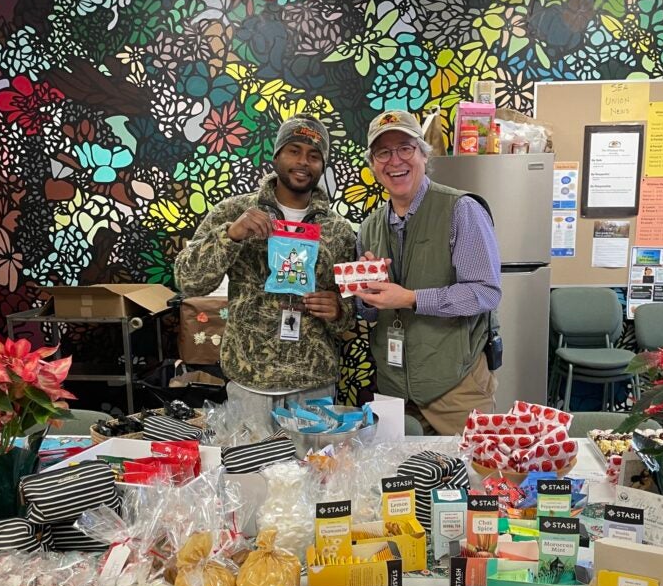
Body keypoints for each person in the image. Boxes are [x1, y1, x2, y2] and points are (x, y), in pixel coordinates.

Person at [173, 115, 355, 422]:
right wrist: (230, 235)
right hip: (249, 384)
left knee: (314, 469)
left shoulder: (338, 230)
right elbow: (187, 280)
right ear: (276, 156)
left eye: (314, 156)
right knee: (249, 469)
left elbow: (351, 310)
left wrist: (338, 311)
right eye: (293, 150)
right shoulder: (233, 212)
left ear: (322, 166)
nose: (303, 162)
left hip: (312, 386)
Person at [356, 110, 502, 435]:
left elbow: (484, 291)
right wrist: (366, 297)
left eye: (405, 148)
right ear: (373, 164)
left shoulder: (461, 210)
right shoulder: (369, 227)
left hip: (457, 386)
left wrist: (410, 298)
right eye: (383, 152)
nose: (395, 161)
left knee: (466, 480)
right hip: (393, 387)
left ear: (423, 153)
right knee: (397, 480)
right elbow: (366, 312)